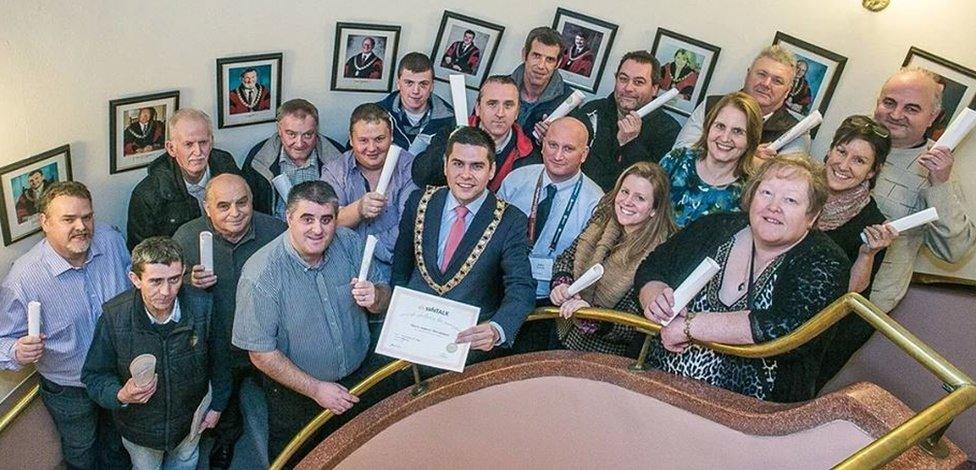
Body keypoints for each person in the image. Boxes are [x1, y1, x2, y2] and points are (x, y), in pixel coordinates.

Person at [638, 155, 850, 403]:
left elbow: (783, 326)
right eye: (767, 192)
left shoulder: (826, 260)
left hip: (747, 418)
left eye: (790, 200)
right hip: (656, 387)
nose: (774, 207)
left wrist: (688, 327)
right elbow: (652, 268)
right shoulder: (714, 226)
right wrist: (656, 299)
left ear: (811, 216)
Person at [232, 180, 391, 463]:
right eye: (307, 219)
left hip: (358, 379)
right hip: (297, 396)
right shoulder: (261, 274)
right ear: (289, 217)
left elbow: (384, 296)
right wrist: (316, 389)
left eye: (326, 219)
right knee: (301, 460)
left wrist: (375, 296)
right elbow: (260, 352)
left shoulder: (350, 242)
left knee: (363, 455)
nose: (318, 230)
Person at [0, 181, 132, 469]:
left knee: (117, 441)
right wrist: (17, 351)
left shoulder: (110, 239)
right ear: (44, 222)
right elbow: (2, 340)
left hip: (117, 372)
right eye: (69, 219)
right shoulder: (23, 278)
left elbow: (132, 280)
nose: (81, 226)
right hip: (70, 387)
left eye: (87, 216)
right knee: (80, 450)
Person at [82, 237, 230, 470]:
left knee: (185, 463)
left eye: (174, 280)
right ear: (135, 279)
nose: (166, 291)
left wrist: (217, 406)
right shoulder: (114, 316)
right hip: (141, 432)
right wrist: (121, 394)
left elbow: (220, 362)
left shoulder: (204, 306)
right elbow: (94, 375)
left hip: (190, 423)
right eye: (155, 281)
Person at [391, 126, 535, 364]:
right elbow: (401, 267)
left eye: (476, 166)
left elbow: (521, 287)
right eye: (458, 164)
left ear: (492, 170)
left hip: (469, 354)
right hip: (410, 345)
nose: (466, 175)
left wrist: (498, 328)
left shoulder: (510, 220)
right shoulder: (420, 201)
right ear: (446, 164)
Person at [171, 174, 286, 468]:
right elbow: (164, 289)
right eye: (223, 206)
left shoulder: (276, 231)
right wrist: (187, 280)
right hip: (218, 340)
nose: (234, 213)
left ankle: (287, 447)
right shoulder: (186, 237)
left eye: (242, 203)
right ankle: (226, 440)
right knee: (225, 401)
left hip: (267, 339)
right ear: (207, 209)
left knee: (280, 398)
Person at [869, 67, 976, 313]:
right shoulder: (853, 140)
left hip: (862, 304)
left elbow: (954, 251)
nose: (896, 114)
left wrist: (940, 184)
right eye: (889, 102)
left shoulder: (936, 168)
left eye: (911, 108)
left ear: (932, 117)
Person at [549, 162, 677, 355]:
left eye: (640, 198)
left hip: (606, 356)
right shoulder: (602, 218)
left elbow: (635, 326)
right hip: (562, 332)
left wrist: (592, 317)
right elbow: (567, 257)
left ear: (654, 209)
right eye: (625, 192)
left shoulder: (662, 251)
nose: (627, 201)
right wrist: (561, 284)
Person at [814, 115, 898, 391]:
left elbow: (852, 295)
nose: (844, 165)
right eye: (841, 151)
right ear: (830, 150)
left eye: (859, 161)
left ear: (873, 172)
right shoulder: (799, 189)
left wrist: (867, 254)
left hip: (822, 334)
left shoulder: (874, 224)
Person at [557, 50, 681, 191]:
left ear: (654, 89)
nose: (628, 88)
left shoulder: (668, 130)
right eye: (623, 79)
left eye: (638, 82)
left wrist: (629, 145)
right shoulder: (593, 110)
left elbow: (651, 189)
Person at [322, 103, 417, 282]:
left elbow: (409, 228)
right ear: (351, 139)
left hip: (395, 265)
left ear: (391, 137)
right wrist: (358, 209)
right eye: (363, 140)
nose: (372, 148)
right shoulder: (334, 171)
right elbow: (325, 223)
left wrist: (362, 243)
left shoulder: (409, 167)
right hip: (346, 265)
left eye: (379, 139)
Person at [127, 108, 241, 249]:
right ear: (171, 148)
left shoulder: (227, 168)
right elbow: (143, 256)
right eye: (189, 144)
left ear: (211, 142)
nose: (198, 152)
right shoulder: (147, 195)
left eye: (203, 143)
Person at [673, 45, 810, 159]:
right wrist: (749, 157)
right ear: (748, 75)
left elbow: (786, 183)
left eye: (777, 81)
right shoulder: (711, 105)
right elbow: (679, 154)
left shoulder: (796, 132)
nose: (766, 84)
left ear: (787, 90)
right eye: (761, 74)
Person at [413, 75, 540, 191]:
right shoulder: (452, 130)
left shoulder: (529, 156)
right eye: (492, 104)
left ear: (517, 112)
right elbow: (421, 177)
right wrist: (451, 148)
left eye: (508, 105)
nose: (500, 113)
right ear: (478, 108)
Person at [659, 92, 762, 228]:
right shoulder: (676, 160)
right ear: (708, 127)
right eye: (720, 126)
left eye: (737, 131)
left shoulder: (751, 192)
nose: (725, 138)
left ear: (750, 140)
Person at [241, 99, 344, 218]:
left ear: (316, 130)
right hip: (275, 231)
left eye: (307, 135)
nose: (299, 144)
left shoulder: (338, 157)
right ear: (279, 130)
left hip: (321, 231)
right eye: (291, 134)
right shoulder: (259, 159)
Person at [375, 52, 454, 156]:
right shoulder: (376, 113)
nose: (415, 91)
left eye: (423, 84)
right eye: (409, 83)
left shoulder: (450, 119)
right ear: (398, 84)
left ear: (432, 86)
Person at [511, 27, 573, 138]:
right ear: (525, 54)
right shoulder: (498, 88)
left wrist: (550, 140)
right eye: (536, 56)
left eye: (549, 60)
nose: (541, 66)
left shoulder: (569, 101)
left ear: (558, 63)